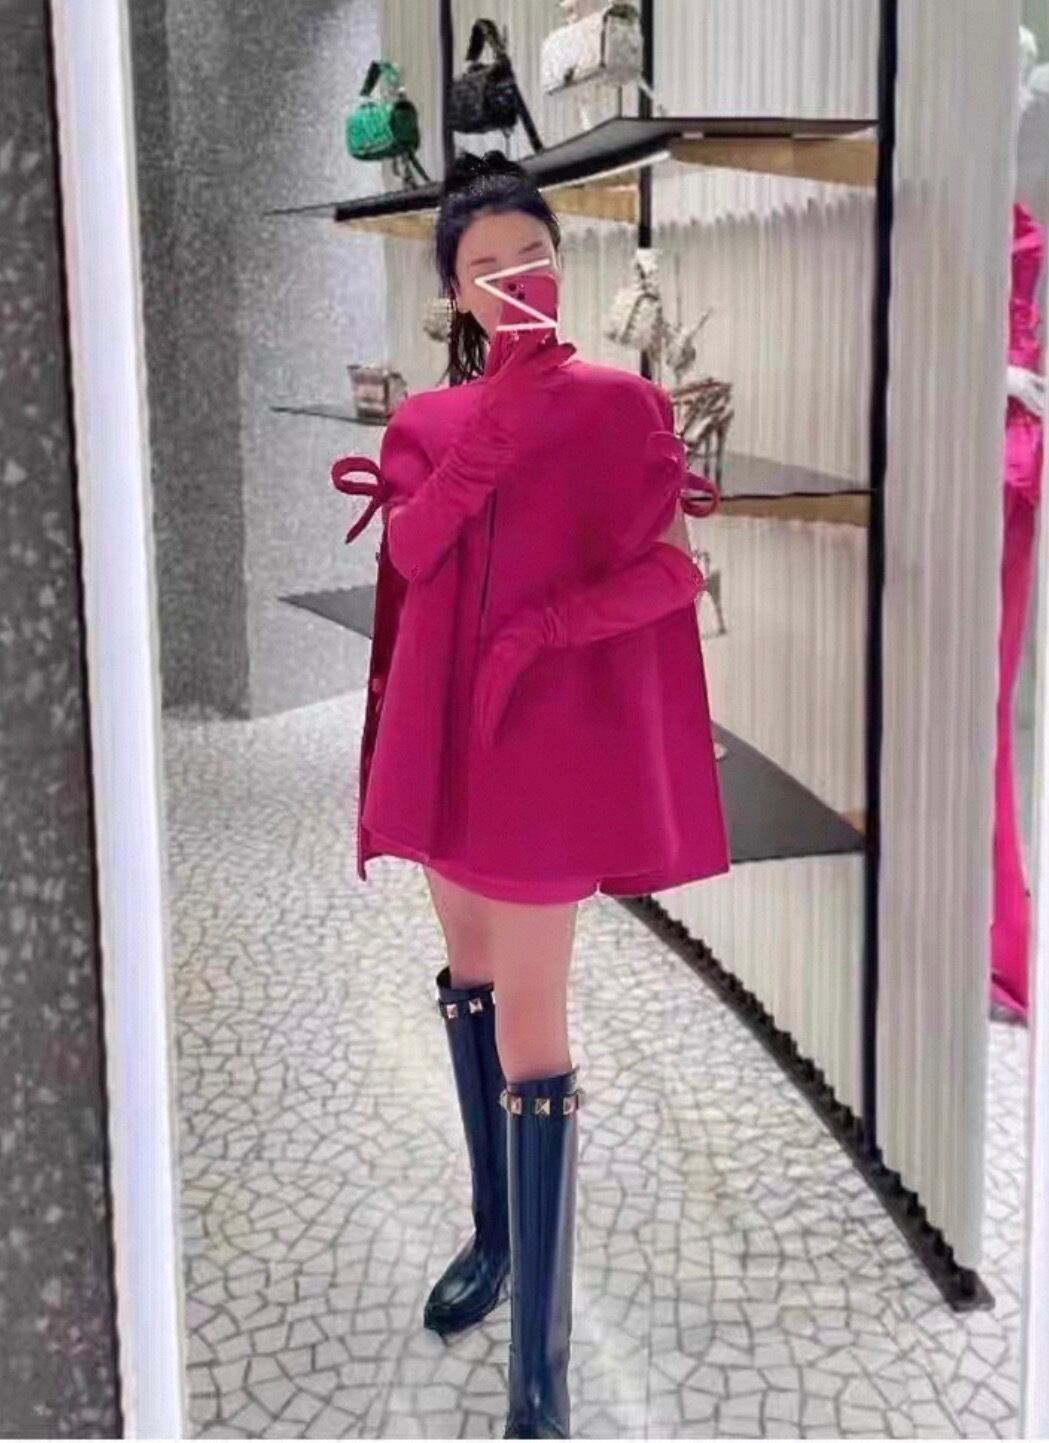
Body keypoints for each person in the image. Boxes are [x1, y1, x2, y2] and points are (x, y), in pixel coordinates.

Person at [330, 151, 729, 1438]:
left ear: (564, 263)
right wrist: (487, 432)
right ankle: (495, 1237)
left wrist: (543, 631)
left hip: (544, 752)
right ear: (453, 292)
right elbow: (410, 548)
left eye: (533, 256)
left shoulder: (621, 408)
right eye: (485, 266)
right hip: (445, 740)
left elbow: (674, 571)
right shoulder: (428, 424)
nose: (514, 279)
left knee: (534, 1019)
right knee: (469, 975)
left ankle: (540, 1379)